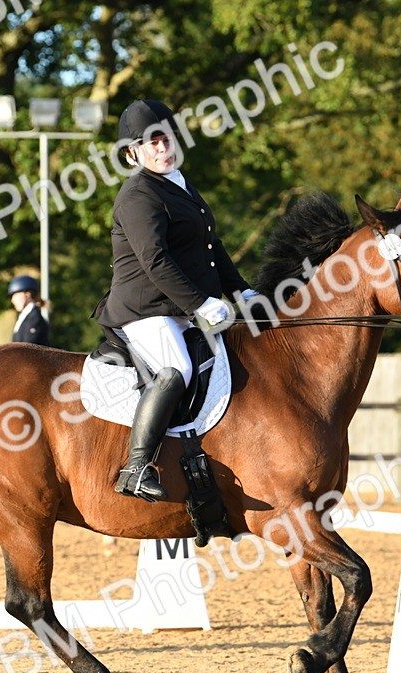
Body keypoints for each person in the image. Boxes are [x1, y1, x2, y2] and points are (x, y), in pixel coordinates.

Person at [93, 99, 260, 502]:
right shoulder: (138, 196)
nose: (162, 147)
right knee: (176, 368)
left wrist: (241, 290)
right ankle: (135, 468)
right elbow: (155, 260)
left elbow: (210, 246)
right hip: (145, 310)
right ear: (133, 152)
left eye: (166, 138)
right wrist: (200, 303)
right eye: (152, 142)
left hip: (179, 307)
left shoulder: (180, 184)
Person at [8, 275, 50, 346]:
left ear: (28, 295)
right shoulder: (24, 317)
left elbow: (27, 348)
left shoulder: (34, 318)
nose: (12, 300)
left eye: (16, 295)